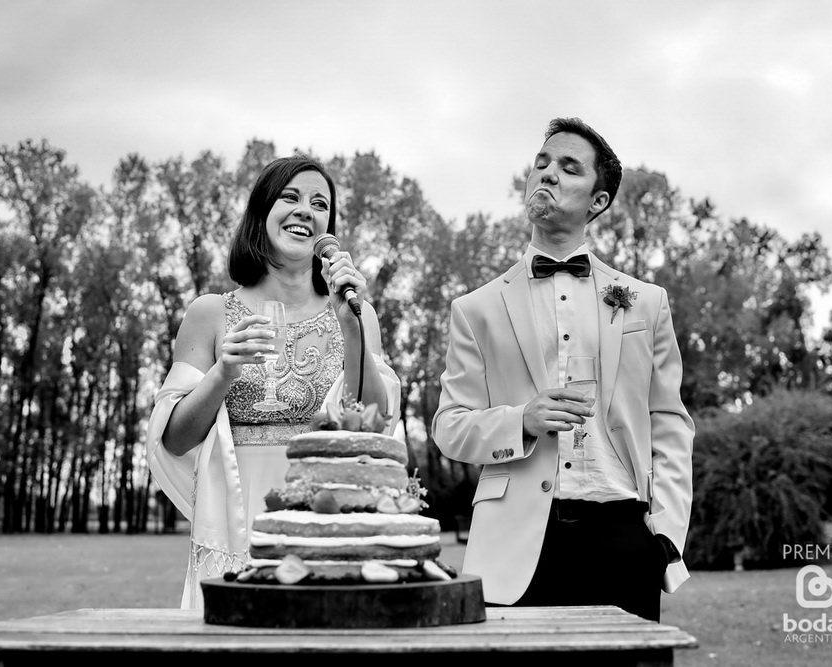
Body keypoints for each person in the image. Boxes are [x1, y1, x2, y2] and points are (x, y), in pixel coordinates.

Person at [432, 117, 693, 622]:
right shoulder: (476, 308)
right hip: (515, 544)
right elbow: (448, 426)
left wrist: (664, 534)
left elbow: (670, 423)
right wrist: (519, 421)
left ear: (597, 201)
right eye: (542, 163)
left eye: (569, 168)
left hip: (624, 535)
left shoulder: (646, 302)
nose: (547, 173)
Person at [145, 156, 401, 609]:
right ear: (261, 214)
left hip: (326, 510)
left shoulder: (358, 313)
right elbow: (176, 438)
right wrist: (223, 373)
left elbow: (375, 426)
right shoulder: (210, 313)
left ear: (327, 229)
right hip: (236, 513)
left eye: (319, 203)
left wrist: (352, 331)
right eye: (291, 197)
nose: (306, 209)